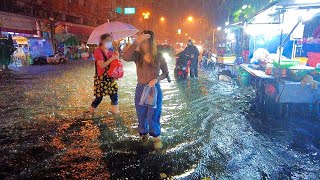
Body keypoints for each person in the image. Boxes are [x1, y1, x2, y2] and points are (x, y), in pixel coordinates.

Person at [123, 30, 169, 149]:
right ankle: (143, 135)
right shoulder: (137, 55)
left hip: (154, 89)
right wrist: (136, 42)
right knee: (141, 114)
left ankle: (156, 137)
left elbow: (166, 73)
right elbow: (125, 57)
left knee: (153, 115)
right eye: (143, 42)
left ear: (152, 43)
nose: (145, 45)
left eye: (148, 42)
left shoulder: (158, 56)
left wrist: (157, 79)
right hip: (140, 89)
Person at [85, 33, 120, 116]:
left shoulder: (110, 51)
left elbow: (114, 63)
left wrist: (116, 54)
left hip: (110, 77)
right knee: (99, 97)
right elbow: (102, 65)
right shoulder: (98, 51)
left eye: (110, 41)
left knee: (114, 94)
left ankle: (115, 111)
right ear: (102, 41)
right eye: (107, 41)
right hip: (101, 78)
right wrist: (112, 58)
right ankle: (90, 112)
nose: (109, 43)